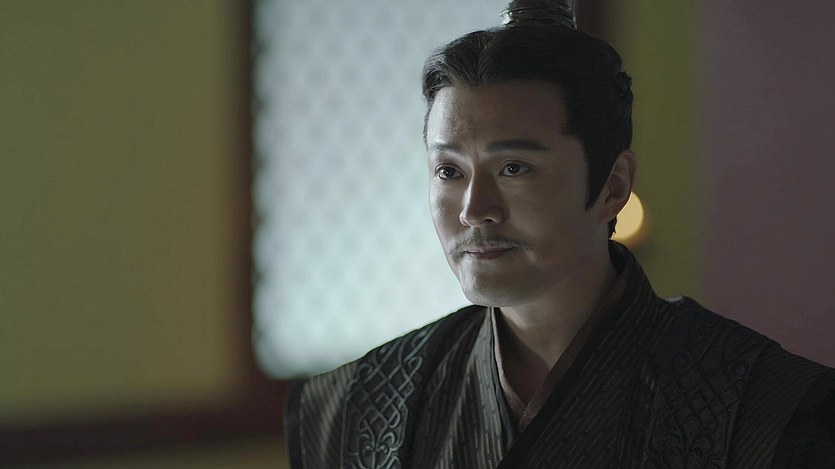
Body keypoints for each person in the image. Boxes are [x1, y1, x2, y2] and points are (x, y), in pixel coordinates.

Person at [284, 1, 835, 467]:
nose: (475, 210)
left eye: (514, 168)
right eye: (449, 171)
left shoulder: (766, 405)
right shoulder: (356, 407)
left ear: (613, 186)